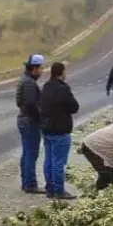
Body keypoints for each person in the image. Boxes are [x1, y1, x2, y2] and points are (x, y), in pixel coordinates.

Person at [39, 61, 80, 200]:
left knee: (48, 160)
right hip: (60, 129)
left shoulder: (46, 87)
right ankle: (59, 190)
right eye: (65, 71)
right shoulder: (63, 89)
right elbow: (74, 107)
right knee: (58, 162)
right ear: (61, 72)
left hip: (46, 128)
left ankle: (49, 188)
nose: (66, 73)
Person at [16, 54, 45, 194]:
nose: (42, 71)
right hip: (30, 121)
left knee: (26, 152)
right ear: (34, 68)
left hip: (23, 119)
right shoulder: (29, 83)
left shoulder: (25, 80)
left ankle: (25, 181)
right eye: (40, 68)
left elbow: (19, 102)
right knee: (31, 154)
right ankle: (30, 184)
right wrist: (40, 118)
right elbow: (31, 104)